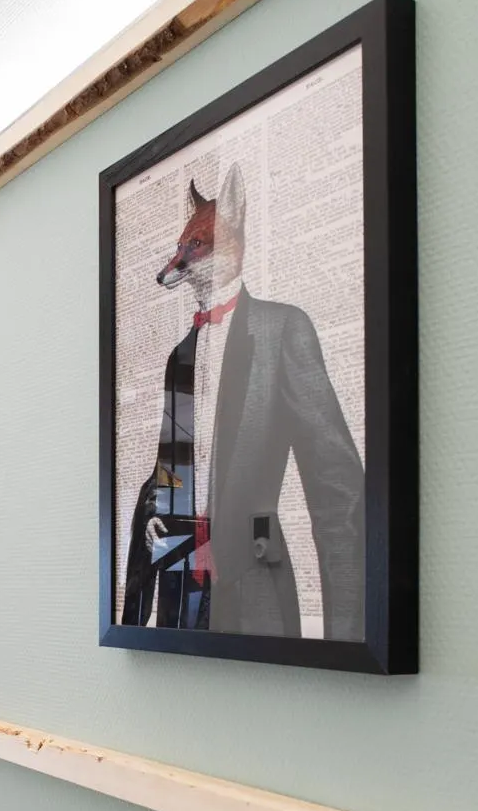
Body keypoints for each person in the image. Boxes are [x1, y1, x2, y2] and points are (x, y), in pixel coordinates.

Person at [120, 163, 365, 640]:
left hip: (254, 587)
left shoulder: (282, 329)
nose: (177, 264)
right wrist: (155, 509)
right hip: (178, 589)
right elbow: (173, 461)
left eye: (194, 247)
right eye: (180, 248)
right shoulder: (180, 355)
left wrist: (352, 637)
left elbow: (337, 486)